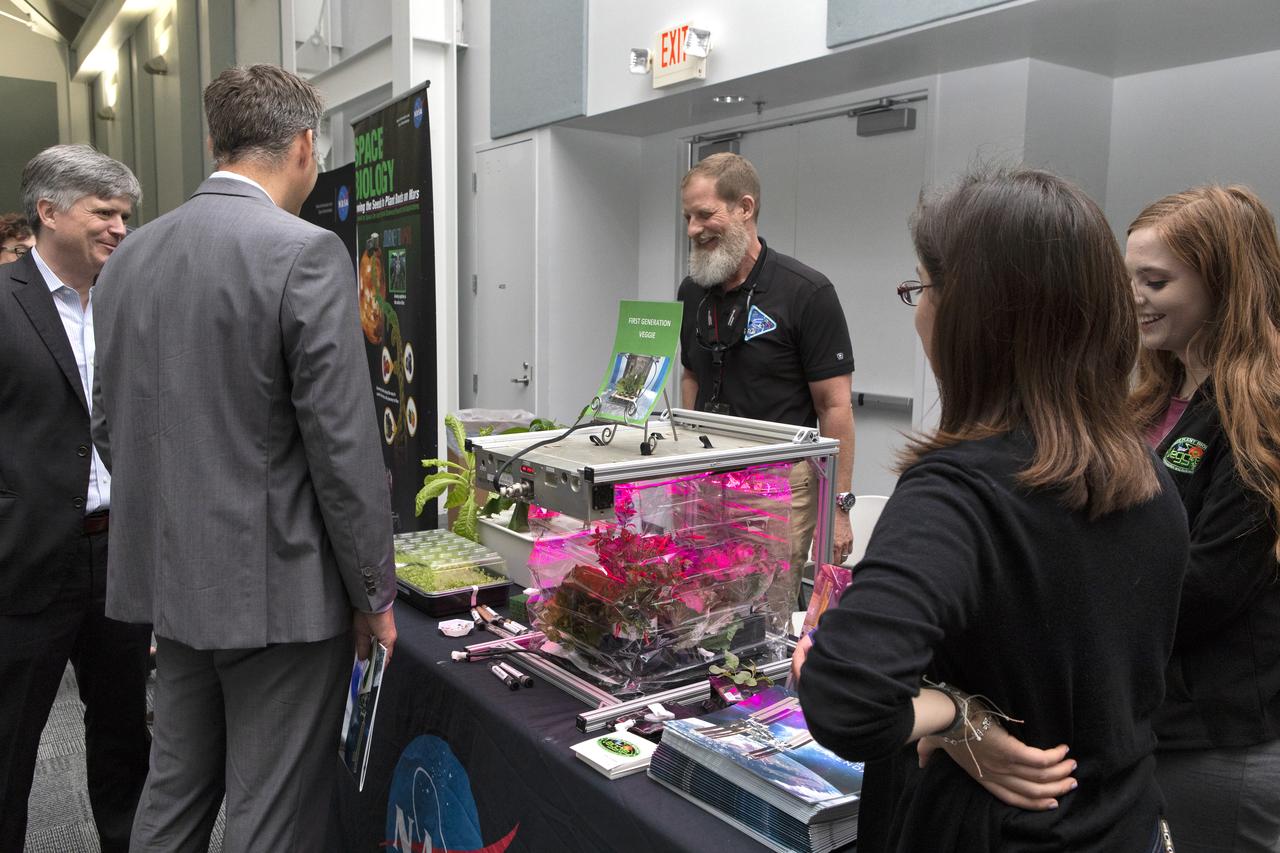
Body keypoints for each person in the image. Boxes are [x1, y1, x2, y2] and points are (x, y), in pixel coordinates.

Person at [795, 168, 1189, 851]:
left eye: (921, 287)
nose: (917, 310)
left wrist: (954, 717)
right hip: (1121, 822)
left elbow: (842, 695)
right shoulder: (1148, 471)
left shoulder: (957, 492)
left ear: (972, 313)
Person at [91, 64, 397, 851]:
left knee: (175, 792)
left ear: (211, 141)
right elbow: (342, 445)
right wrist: (373, 589)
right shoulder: (304, 252)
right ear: (303, 147)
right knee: (271, 811)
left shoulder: (129, 256)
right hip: (281, 599)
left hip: (175, 585)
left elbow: (107, 420)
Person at [0, 145, 150, 852]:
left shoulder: (129, 303)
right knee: (10, 747)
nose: (120, 227)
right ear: (49, 210)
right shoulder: (4, 303)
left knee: (124, 733)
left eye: (125, 214)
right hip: (24, 561)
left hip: (117, 554)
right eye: (104, 212)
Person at [1127, 185, 1280, 851]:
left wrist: (1077, 604)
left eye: (1155, 281)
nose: (1134, 297)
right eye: (1129, 277)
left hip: (1218, 733)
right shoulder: (1158, 396)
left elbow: (1209, 582)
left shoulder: (1261, 408)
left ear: (1222, 284)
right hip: (1154, 715)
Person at [677, 152, 856, 577]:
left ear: (744, 208)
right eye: (687, 217)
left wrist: (839, 508)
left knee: (766, 613)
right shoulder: (692, 291)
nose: (692, 229)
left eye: (704, 215)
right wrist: (682, 470)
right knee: (699, 601)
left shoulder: (806, 292)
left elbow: (835, 407)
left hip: (776, 487)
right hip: (706, 477)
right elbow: (691, 376)